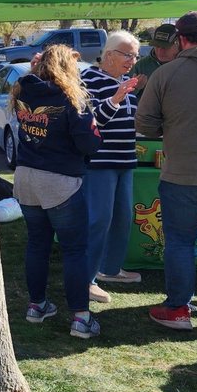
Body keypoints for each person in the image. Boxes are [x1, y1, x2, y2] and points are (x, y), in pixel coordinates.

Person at [136, 11, 197, 332]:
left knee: (180, 243)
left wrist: (175, 127)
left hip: (183, 176)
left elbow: (145, 125)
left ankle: (178, 309)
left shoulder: (166, 74)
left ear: (180, 39)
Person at [11, 45, 103, 338]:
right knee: (74, 250)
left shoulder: (23, 91)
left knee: (37, 244)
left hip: (26, 177)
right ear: (68, 67)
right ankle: (81, 318)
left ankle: (36, 305)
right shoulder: (70, 97)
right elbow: (89, 144)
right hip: (59, 180)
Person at [81, 32, 144, 303]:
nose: (132, 60)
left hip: (125, 161)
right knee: (99, 221)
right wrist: (116, 99)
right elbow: (91, 122)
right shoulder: (89, 79)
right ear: (109, 55)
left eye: (135, 56)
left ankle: (109, 269)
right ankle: (86, 280)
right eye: (127, 55)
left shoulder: (123, 82)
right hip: (100, 163)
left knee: (122, 218)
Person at [131, 24, 179, 98]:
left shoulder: (186, 65)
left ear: (178, 44)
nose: (160, 52)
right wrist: (135, 88)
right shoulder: (141, 66)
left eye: (165, 47)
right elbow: (124, 98)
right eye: (157, 46)